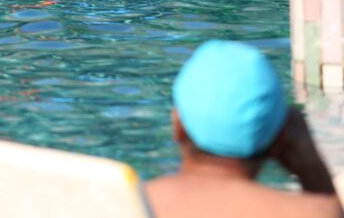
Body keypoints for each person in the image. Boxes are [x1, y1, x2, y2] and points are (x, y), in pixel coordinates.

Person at [145, 39, 342, 218]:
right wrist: (312, 171)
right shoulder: (311, 212)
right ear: (281, 137)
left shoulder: (129, 204)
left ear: (178, 127)